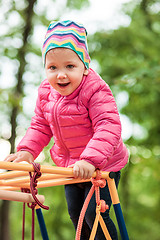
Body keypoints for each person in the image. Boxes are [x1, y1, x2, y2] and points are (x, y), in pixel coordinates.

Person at [4, 20, 128, 239]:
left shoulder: (95, 90)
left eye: (69, 66)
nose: (60, 74)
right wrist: (26, 152)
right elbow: (40, 126)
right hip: (70, 167)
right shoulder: (45, 92)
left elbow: (108, 126)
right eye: (52, 67)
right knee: (76, 215)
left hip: (103, 165)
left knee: (94, 214)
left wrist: (90, 160)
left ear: (85, 66)